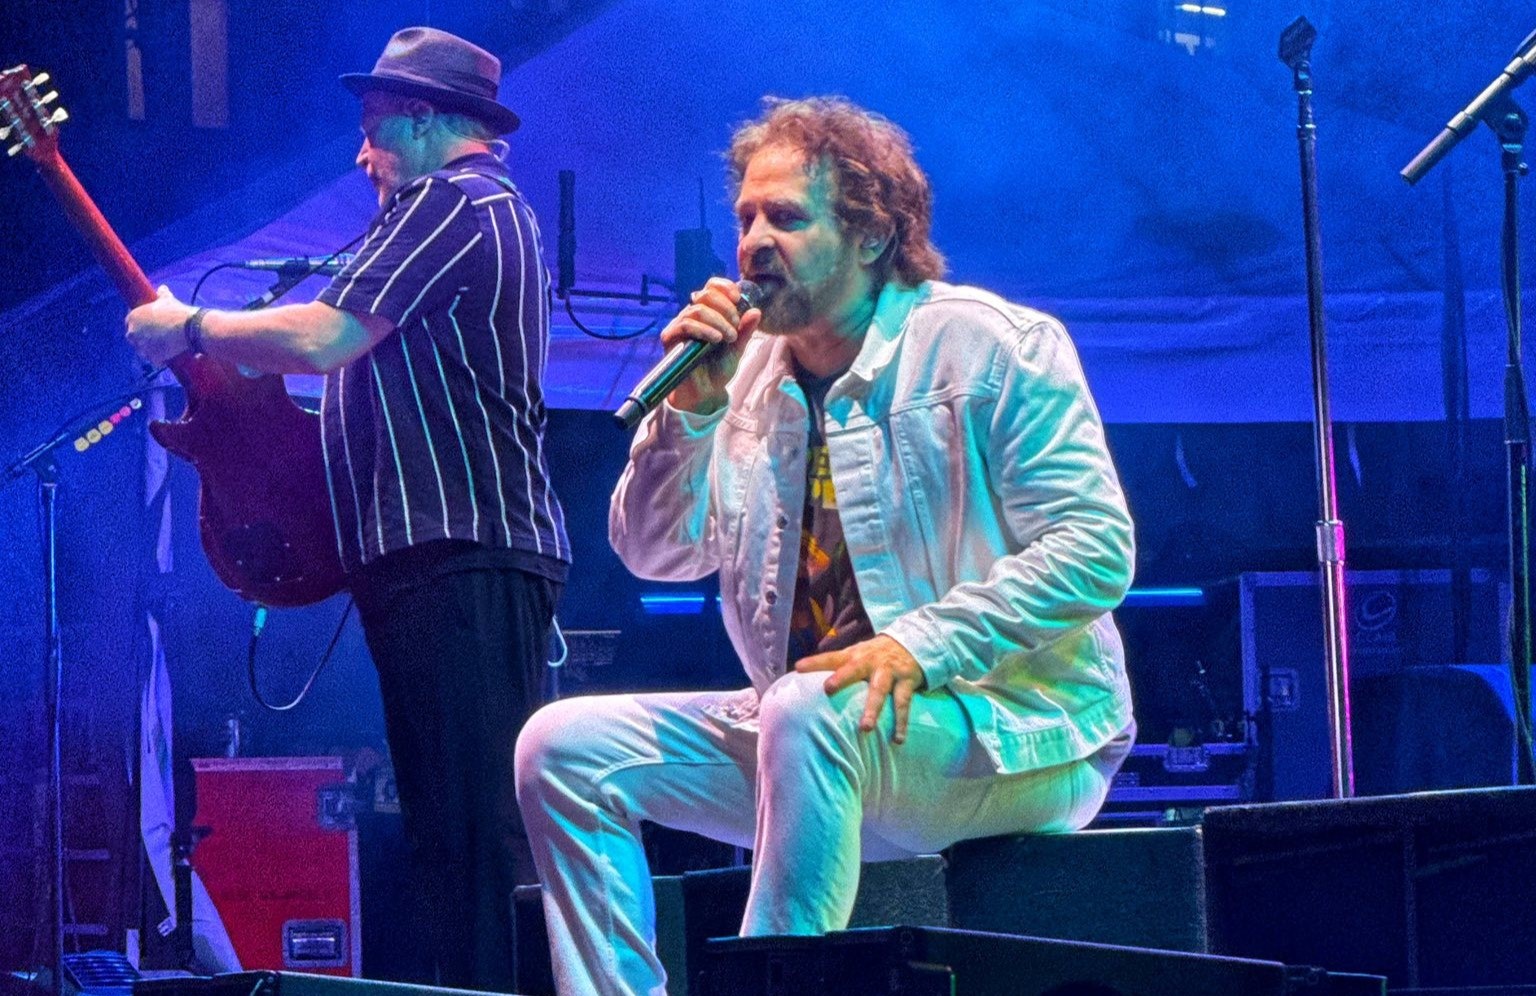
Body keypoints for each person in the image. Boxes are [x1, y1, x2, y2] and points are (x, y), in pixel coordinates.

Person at [513, 96, 1136, 996]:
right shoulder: (742, 377)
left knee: (810, 708)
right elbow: (655, 554)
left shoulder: (989, 348)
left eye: (787, 217)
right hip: (817, 738)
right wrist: (690, 415)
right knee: (561, 747)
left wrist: (918, 647)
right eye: (745, 219)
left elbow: (1095, 546)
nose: (754, 242)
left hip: (1013, 733)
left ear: (872, 234)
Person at [126, 27, 568, 991]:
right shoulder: (473, 212)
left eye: (374, 129)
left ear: (425, 118)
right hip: (444, 555)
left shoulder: (455, 201)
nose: (361, 154)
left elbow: (326, 336)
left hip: (460, 552)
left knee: (472, 832)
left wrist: (192, 326)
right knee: (455, 829)